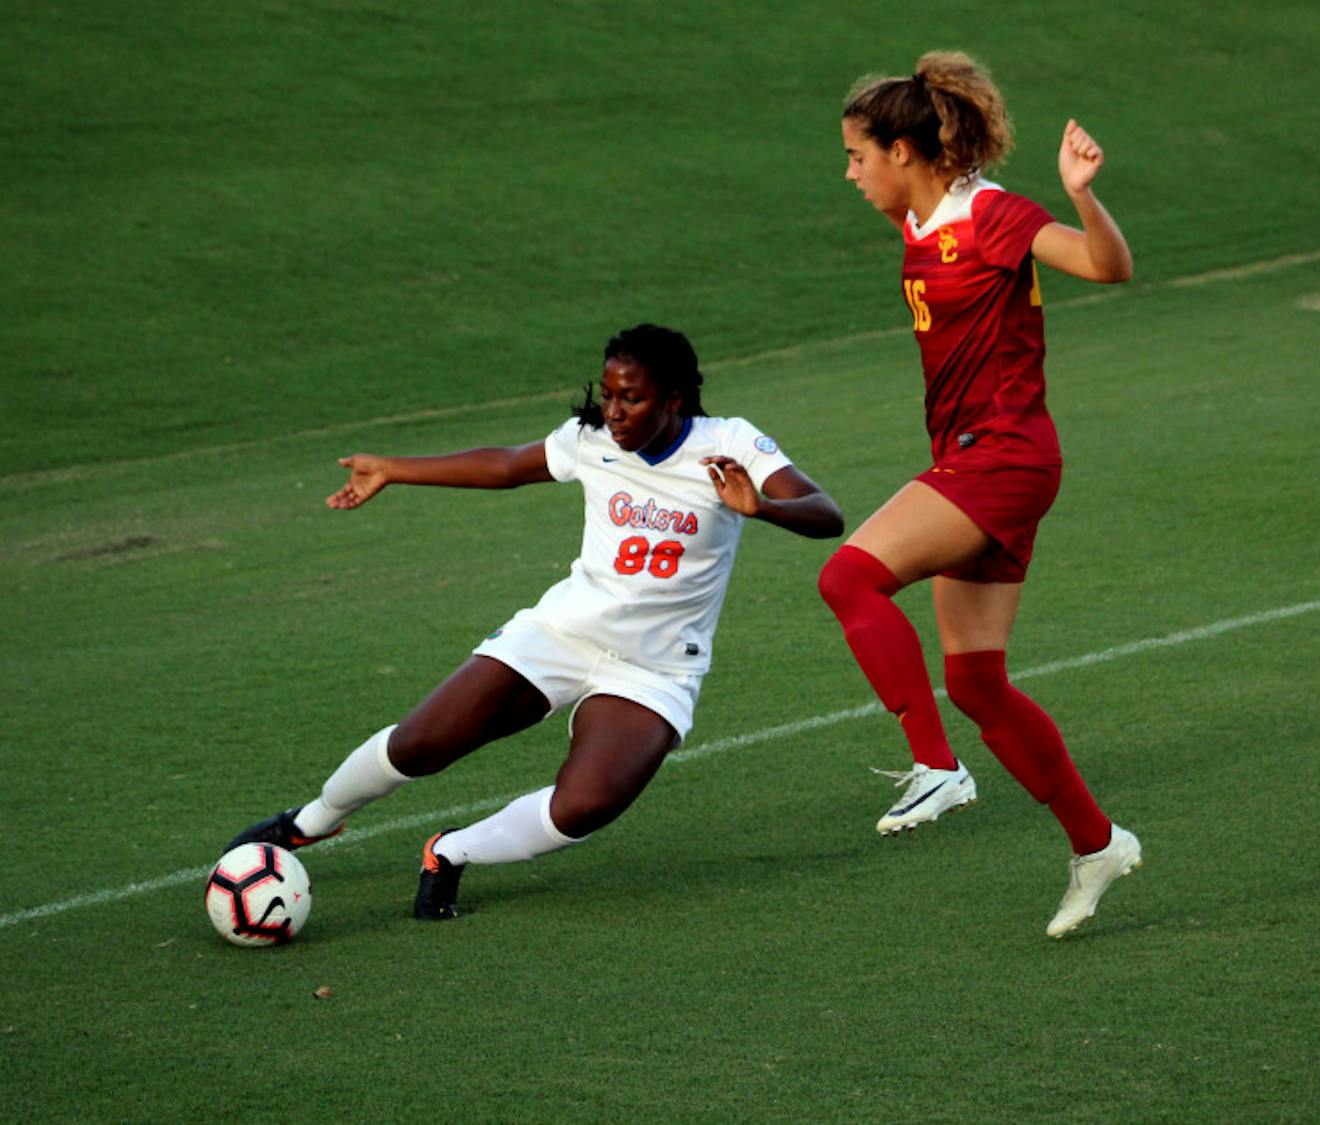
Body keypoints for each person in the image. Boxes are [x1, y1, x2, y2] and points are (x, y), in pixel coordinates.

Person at [224, 324, 843, 920]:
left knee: (586, 806)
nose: (615, 409)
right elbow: (504, 466)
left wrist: (758, 507)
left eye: (633, 397)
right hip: (561, 635)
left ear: (674, 398)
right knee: (420, 743)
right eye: (608, 393)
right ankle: (309, 821)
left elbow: (824, 513)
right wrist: (393, 467)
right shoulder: (592, 438)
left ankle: (449, 853)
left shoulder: (729, 443)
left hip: (653, 670)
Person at [821, 51, 1140, 938]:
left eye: (857, 155)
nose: (849, 174)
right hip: (981, 459)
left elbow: (1104, 266)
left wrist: (1081, 194)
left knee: (848, 579)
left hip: (1001, 459)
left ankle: (937, 767)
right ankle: (1097, 842)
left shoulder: (989, 213)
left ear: (902, 150)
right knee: (976, 680)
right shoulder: (922, 228)